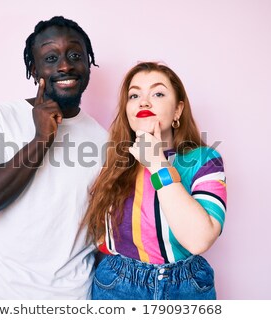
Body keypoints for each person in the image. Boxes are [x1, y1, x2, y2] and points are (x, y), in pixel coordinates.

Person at [0, 16, 107, 299]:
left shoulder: (105, 141)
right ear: (33, 68)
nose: (64, 65)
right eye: (51, 58)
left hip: (73, 300)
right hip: (0, 297)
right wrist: (41, 139)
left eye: (75, 55)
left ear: (89, 63)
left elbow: (101, 233)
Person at [83, 62, 227, 300]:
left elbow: (199, 240)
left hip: (186, 288)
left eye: (158, 93)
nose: (144, 102)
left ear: (178, 110)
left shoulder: (204, 160)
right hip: (117, 286)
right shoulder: (109, 160)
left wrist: (157, 162)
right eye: (134, 94)